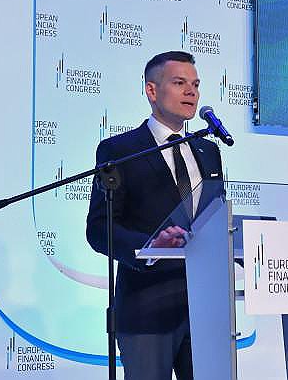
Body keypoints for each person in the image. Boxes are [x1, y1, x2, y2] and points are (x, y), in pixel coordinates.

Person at [86, 51, 224, 379]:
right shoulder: (121, 150)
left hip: (204, 309)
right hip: (147, 307)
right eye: (179, 83)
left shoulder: (208, 150)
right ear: (152, 90)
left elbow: (214, 220)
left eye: (196, 85)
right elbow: (99, 228)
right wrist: (149, 247)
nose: (191, 92)